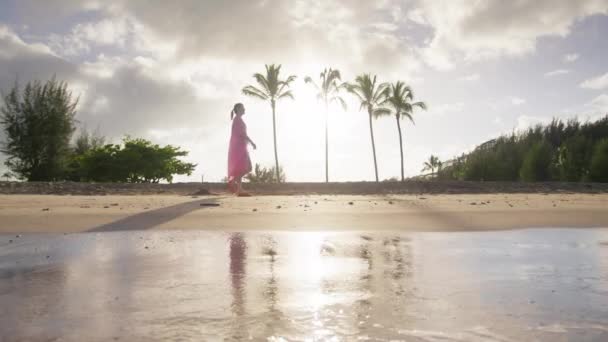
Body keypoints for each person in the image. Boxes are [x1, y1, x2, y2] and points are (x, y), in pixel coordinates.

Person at [227, 103, 256, 196]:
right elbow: (243, 134)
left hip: (239, 146)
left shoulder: (237, 120)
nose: (245, 109)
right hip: (239, 147)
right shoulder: (238, 120)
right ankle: (235, 183)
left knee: (241, 168)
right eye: (243, 108)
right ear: (239, 109)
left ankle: (239, 189)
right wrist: (252, 142)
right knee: (247, 167)